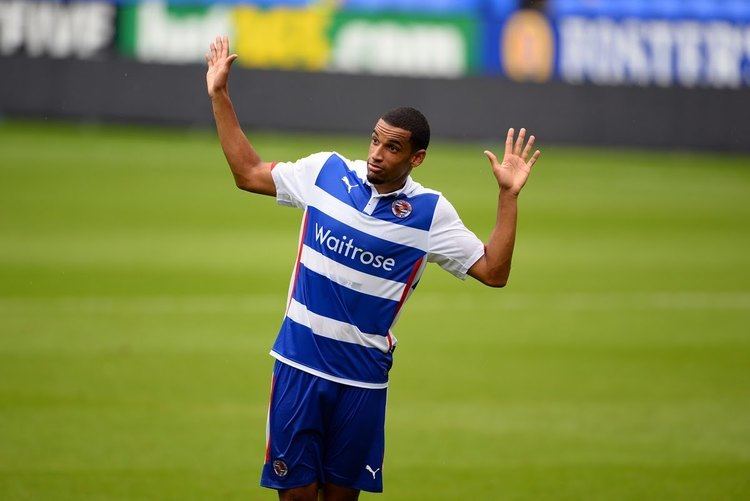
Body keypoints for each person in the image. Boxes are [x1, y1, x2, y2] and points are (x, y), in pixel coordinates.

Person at [205, 35, 541, 501]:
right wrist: (219, 95)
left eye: (394, 147)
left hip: (362, 379)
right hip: (299, 366)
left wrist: (508, 197)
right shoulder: (326, 172)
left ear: (416, 158)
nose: (378, 153)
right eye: (375, 140)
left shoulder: (429, 213)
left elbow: (494, 270)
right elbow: (248, 172)